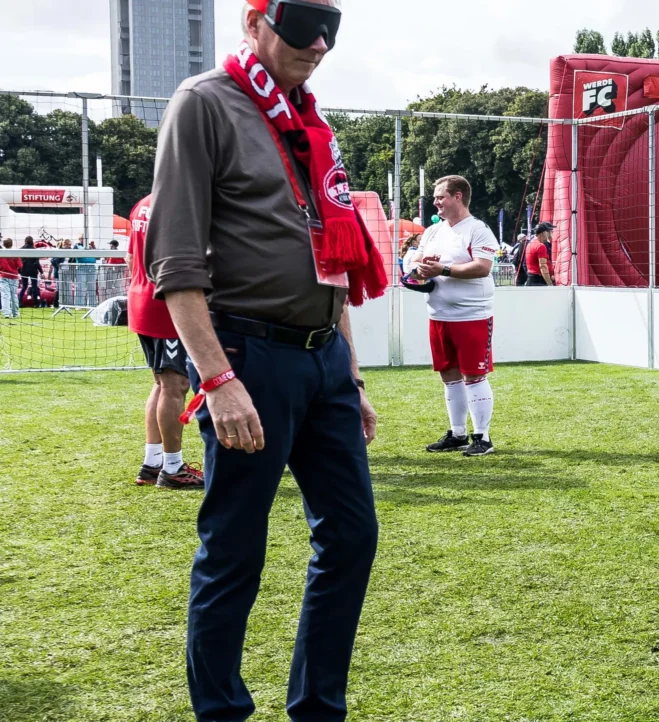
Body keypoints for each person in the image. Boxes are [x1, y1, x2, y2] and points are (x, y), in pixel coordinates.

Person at [144, 1, 386, 719]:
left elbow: (332, 262)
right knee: (234, 551)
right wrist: (217, 379)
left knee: (351, 536)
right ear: (254, 23)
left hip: (323, 360)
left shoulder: (311, 121)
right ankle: (220, 712)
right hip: (246, 354)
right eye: (300, 21)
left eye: (331, 27)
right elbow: (175, 261)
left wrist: (352, 373)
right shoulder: (204, 103)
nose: (318, 42)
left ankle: (318, 708)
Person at [413, 175, 500, 457]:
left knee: (474, 374)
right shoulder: (432, 231)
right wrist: (420, 270)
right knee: (449, 375)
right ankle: (458, 434)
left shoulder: (478, 229)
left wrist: (444, 271)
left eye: (440, 196)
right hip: (438, 314)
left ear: (458, 196)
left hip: (472, 315)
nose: (435, 202)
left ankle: (483, 437)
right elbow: (417, 261)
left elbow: (483, 267)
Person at [127, 195, 204, 489]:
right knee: (175, 385)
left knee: (161, 383)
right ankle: (172, 468)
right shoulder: (180, 203)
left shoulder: (143, 203)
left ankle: (153, 462)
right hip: (166, 305)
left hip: (142, 299)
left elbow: (131, 258)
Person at [525, 222, 554, 286]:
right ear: (543, 233)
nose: (548, 235)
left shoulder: (530, 243)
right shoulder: (541, 246)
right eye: (547, 232)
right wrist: (550, 283)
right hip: (538, 280)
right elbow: (543, 266)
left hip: (531, 278)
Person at [0, 238, 19, 319]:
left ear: (3, 244)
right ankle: (15, 313)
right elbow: (20, 265)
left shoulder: (1, 253)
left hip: (4, 276)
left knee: (5, 295)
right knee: (13, 295)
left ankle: (7, 313)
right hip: (14, 276)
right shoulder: (15, 253)